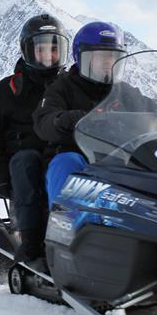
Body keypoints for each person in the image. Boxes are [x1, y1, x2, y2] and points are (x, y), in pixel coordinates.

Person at [0, 14, 70, 261]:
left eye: (54, 49)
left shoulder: (71, 87)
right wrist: (1, 178)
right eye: (42, 49)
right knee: (27, 160)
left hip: (61, 161)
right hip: (24, 171)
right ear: (29, 50)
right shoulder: (7, 90)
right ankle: (32, 247)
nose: (49, 56)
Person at [33, 21, 131, 204]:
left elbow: (150, 105)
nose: (108, 62)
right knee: (66, 162)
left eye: (112, 56)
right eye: (101, 56)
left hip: (116, 158)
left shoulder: (124, 91)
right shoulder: (62, 87)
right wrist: (68, 119)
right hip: (76, 156)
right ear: (82, 57)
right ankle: (66, 225)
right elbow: (44, 120)